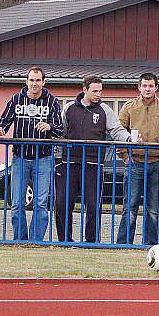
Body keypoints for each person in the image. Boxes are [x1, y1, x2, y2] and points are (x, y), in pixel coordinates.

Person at [55, 76, 131, 243]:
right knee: (62, 203)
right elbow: (61, 132)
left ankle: (91, 241)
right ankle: (64, 240)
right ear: (85, 90)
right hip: (69, 163)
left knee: (93, 205)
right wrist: (58, 156)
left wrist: (129, 138)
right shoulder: (68, 108)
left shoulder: (105, 110)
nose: (98, 94)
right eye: (95, 91)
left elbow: (117, 129)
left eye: (100, 91)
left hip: (93, 163)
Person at [0, 66, 64, 241]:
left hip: (44, 158)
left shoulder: (52, 102)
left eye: (38, 80)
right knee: (17, 203)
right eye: (31, 80)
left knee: (40, 204)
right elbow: (3, 121)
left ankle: (36, 240)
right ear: (26, 81)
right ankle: (20, 240)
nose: (34, 83)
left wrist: (49, 127)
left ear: (44, 82)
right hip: (20, 158)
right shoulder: (16, 100)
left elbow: (60, 129)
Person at [116, 73, 159, 246]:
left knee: (153, 209)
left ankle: (151, 245)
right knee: (130, 207)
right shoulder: (129, 108)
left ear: (156, 87)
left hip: (157, 163)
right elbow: (119, 133)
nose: (147, 89)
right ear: (139, 87)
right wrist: (125, 156)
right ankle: (123, 244)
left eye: (151, 86)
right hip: (134, 162)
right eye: (144, 86)